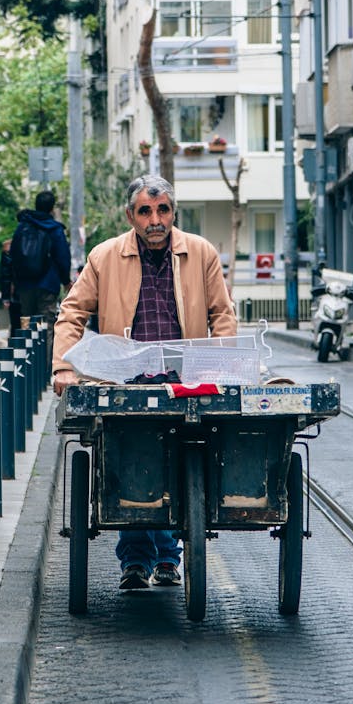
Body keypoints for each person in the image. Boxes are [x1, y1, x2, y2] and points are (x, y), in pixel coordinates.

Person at [52, 174, 236, 593]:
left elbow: (222, 315)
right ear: (130, 216)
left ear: (173, 212)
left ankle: (170, 556)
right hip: (126, 380)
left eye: (163, 210)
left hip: (185, 381)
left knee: (177, 457)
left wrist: (224, 364)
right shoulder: (104, 257)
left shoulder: (201, 252)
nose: (156, 220)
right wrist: (64, 365)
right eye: (145, 211)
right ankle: (135, 561)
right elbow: (72, 312)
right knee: (131, 462)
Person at [10, 190, 71, 367]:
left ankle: (27, 368)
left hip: (25, 284)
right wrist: (65, 280)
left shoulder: (22, 226)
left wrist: (15, 281)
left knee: (28, 325)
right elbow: (62, 257)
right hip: (47, 284)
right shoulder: (54, 229)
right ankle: (43, 369)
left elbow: (13, 254)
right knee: (46, 326)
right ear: (52, 208)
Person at [0, 237, 21, 332]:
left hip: (14, 295)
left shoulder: (7, 252)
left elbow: (6, 276)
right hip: (29, 291)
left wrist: (6, 298)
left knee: (15, 324)